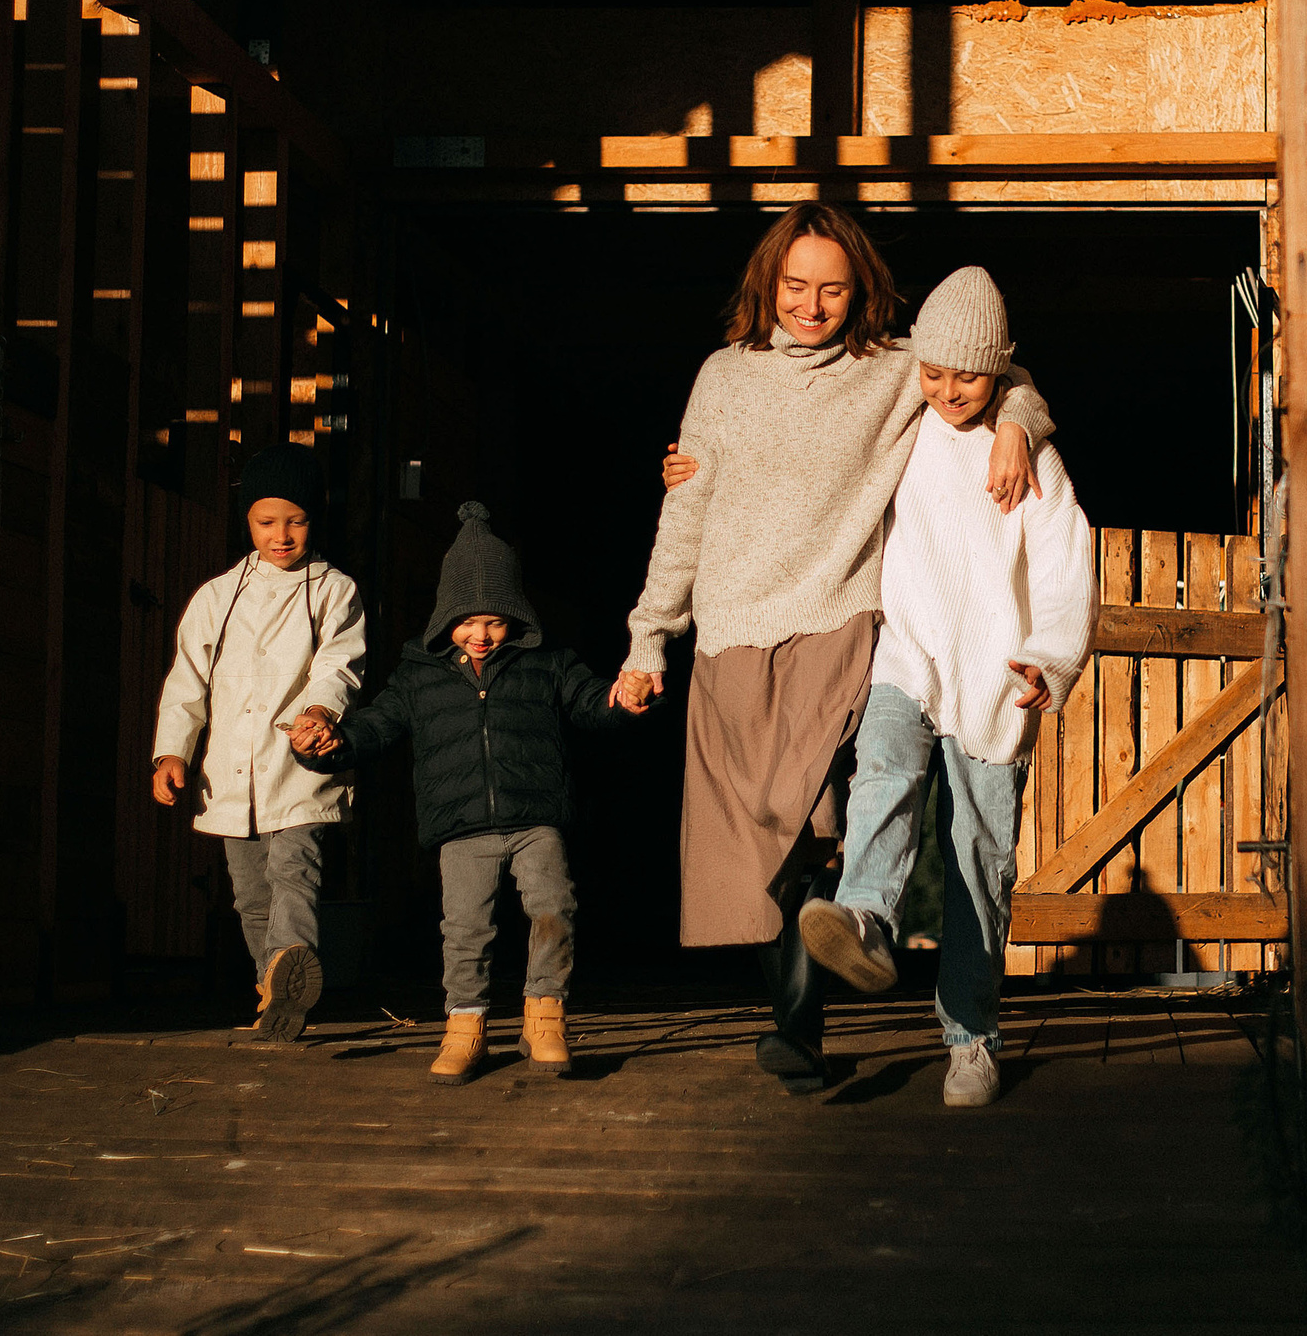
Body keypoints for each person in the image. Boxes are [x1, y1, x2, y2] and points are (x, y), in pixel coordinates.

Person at [617, 202, 1054, 1095]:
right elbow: (686, 513)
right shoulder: (723, 376)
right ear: (767, 284)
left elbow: (994, 374)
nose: (811, 305)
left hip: (838, 621)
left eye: (832, 289)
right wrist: (648, 636)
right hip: (732, 626)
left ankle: (819, 1000)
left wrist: (1017, 421)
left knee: (812, 827)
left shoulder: (893, 370)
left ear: (861, 294)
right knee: (751, 852)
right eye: (795, 286)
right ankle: (802, 1026)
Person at [794, 267, 1093, 1108]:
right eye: (933, 372)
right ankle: (863, 917)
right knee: (884, 769)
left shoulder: (1033, 458)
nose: (948, 390)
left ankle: (971, 1039)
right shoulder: (901, 424)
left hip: (995, 673)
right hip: (910, 648)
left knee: (977, 863)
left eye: (969, 375)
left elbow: (1069, 564)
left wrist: (1051, 655)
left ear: (1000, 370)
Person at [303, 502, 636, 1085]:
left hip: (537, 815)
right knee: (465, 929)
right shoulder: (418, 675)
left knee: (554, 908)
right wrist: (328, 744)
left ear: (517, 617)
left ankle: (545, 1018)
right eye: (467, 621)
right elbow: (375, 727)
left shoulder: (547, 664)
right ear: (444, 618)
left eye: (496, 621)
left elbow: (591, 703)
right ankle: (465, 1027)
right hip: (460, 825)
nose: (481, 635)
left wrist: (622, 698)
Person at [152, 443, 367, 1043]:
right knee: (250, 895)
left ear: (314, 519)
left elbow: (339, 664)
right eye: (266, 522)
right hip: (230, 772)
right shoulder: (217, 597)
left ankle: (293, 958)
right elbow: (186, 680)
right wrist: (172, 752)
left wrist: (320, 710)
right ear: (246, 521)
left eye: (295, 520)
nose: (281, 535)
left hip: (298, 763)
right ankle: (275, 993)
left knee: (294, 873)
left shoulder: (334, 590)